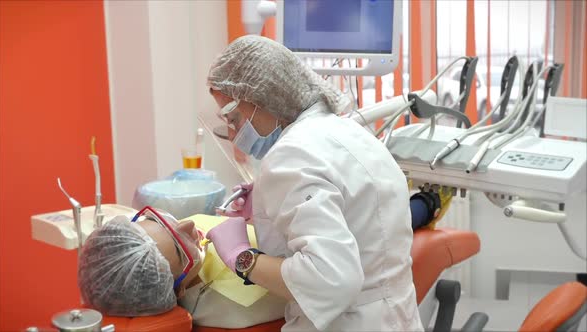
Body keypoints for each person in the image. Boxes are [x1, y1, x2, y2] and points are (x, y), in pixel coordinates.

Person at [205, 35, 424, 331]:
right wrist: (266, 211)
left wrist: (243, 257)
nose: (232, 134)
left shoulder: (290, 155)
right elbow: (356, 218)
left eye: (234, 117)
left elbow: (331, 278)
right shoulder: (347, 130)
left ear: (262, 98)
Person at [77, 208, 286, 328]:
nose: (188, 225)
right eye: (180, 250)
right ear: (179, 290)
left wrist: (260, 212)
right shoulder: (235, 305)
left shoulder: (185, 248)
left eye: (155, 219)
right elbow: (311, 279)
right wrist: (244, 258)